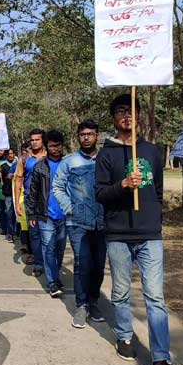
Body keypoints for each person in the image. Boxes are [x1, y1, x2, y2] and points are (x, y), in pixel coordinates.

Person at [95, 94, 183, 365]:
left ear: (139, 116)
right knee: (120, 292)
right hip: (118, 235)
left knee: (155, 297)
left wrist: (154, 218)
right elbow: (100, 194)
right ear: (113, 118)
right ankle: (124, 337)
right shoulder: (106, 154)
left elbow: (157, 190)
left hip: (149, 234)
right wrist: (122, 184)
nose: (127, 116)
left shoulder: (151, 151)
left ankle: (160, 359)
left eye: (131, 110)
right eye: (121, 111)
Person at [53, 119, 106, 328]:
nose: (86, 138)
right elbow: (58, 186)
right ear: (78, 137)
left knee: (99, 266)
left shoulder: (105, 158)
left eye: (90, 134)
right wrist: (70, 208)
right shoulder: (70, 161)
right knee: (82, 263)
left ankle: (94, 301)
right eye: (83, 134)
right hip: (77, 223)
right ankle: (82, 304)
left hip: (102, 222)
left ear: (97, 136)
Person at [26, 130, 67, 298]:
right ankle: (52, 282)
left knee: (60, 248)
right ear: (47, 146)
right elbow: (33, 192)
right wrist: (31, 214)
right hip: (45, 215)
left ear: (62, 146)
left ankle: (55, 275)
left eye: (57, 145)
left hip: (64, 214)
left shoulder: (67, 163)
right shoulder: (39, 166)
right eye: (51, 145)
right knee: (48, 248)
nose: (55, 149)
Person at [14, 129, 46, 274]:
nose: (34, 142)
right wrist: (16, 203)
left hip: (48, 201)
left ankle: (49, 260)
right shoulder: (24, 159)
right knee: (34, 233)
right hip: (30, 201)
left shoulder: (49, 156)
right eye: (32, 140)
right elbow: (18, 180)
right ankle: (38, 263)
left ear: (42, 140)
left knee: (49, 233)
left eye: (37, 139)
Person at [10, 142, 31, 254]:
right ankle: (25, 245)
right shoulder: (20, 162)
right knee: (24, 223)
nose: (27, 153)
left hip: (35, 198)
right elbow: (15, 179)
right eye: (26, 150)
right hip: (21, 196)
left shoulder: (41, 160)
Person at [0, 148, 17, 242]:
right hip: (8, 193)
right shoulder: (3, 166)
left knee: (17, 214)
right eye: (9, 154)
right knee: (9, 212)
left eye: (12, 153)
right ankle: (10, 233)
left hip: (18, 192)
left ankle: (18, 232)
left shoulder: (19, 164)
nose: (10, 155)